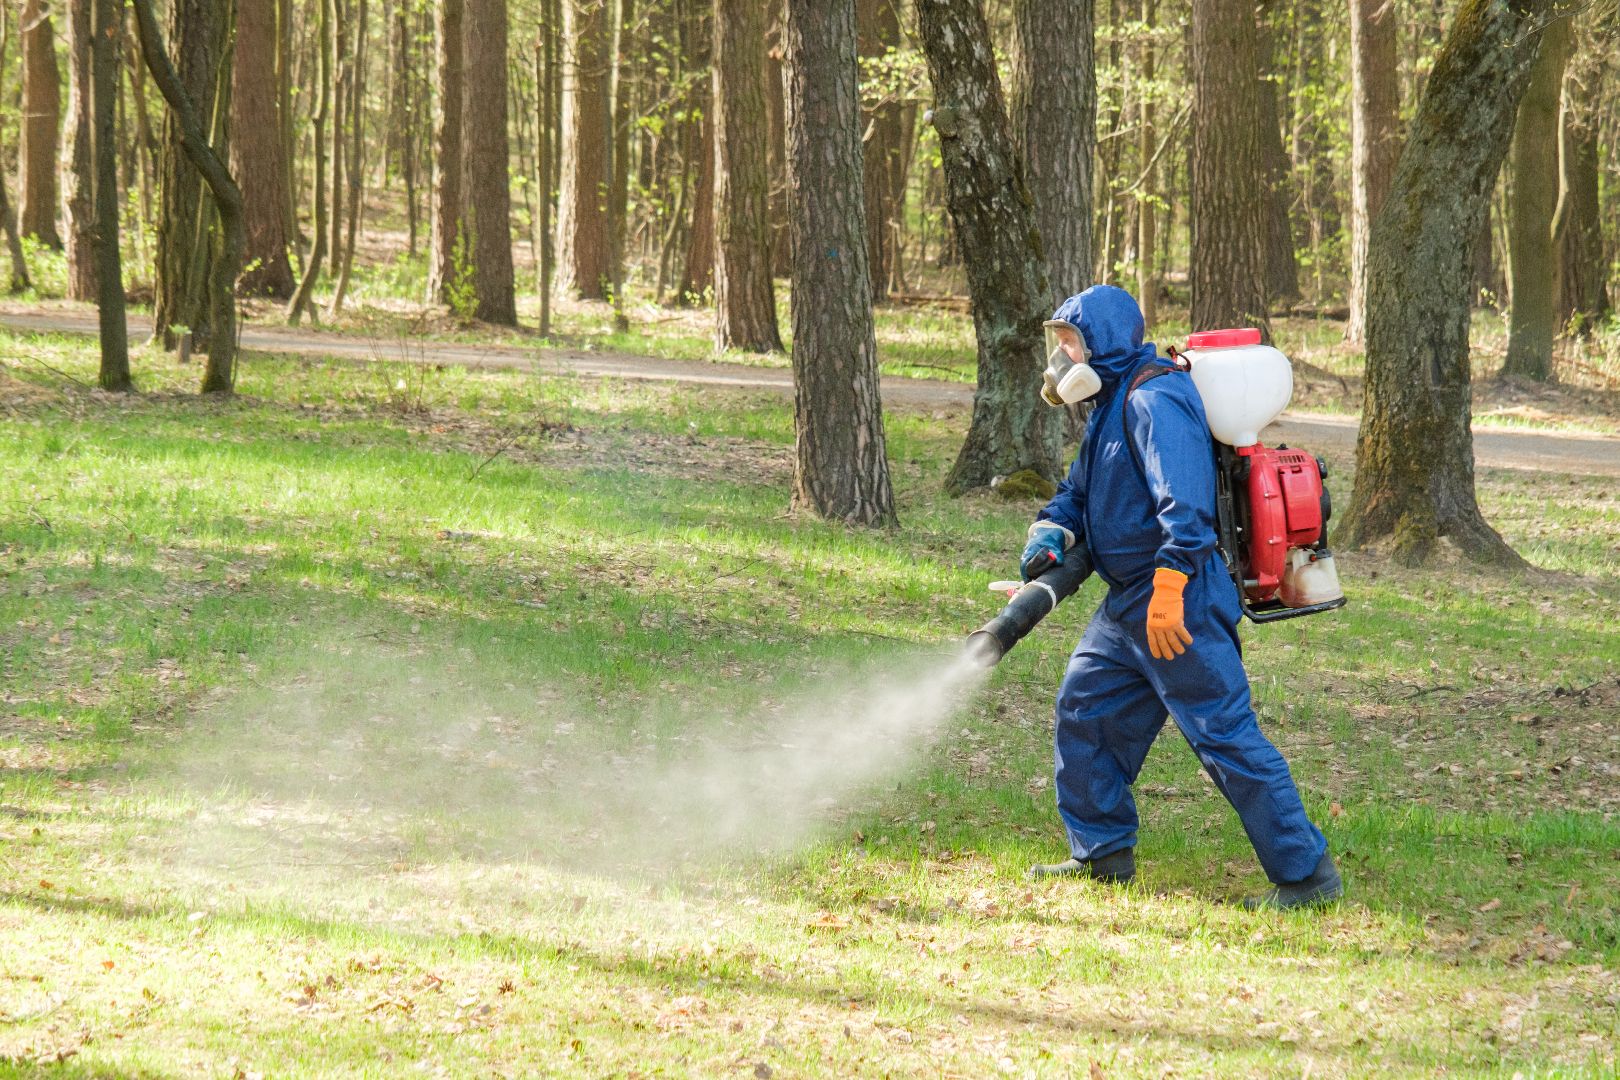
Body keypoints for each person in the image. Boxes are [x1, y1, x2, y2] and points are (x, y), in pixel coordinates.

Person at [1021, 284, 1341, 909]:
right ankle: (1101, 851)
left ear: (1103, 341)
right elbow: (1078, 493)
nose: (1060, 358)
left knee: (1223, 736)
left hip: (1179, 598)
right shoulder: (1110, 402)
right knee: (1085, 710)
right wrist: (1051, 529)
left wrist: (1170, 588)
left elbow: (1186, 508)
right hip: (1127, 606)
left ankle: (1306, 876)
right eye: (1058, 344)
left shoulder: (1155, 398)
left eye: (1070, 343)